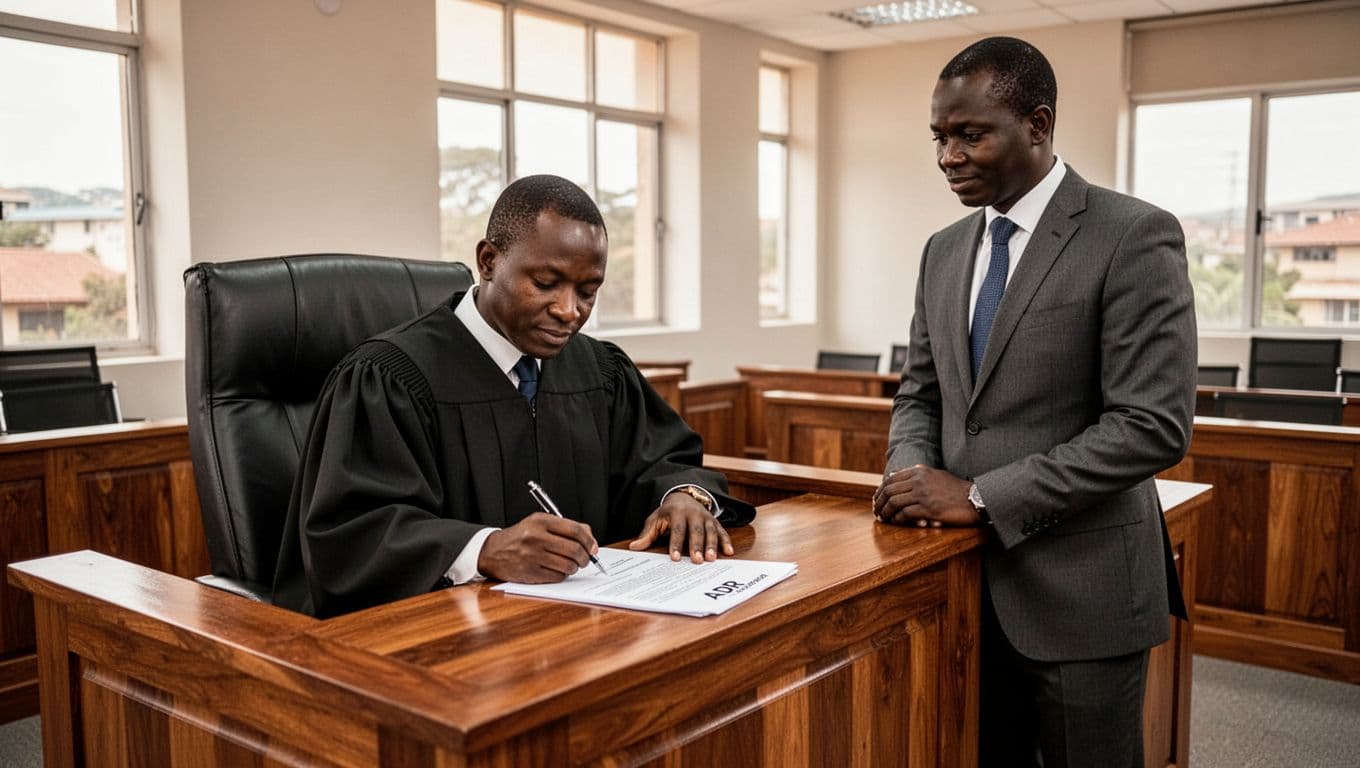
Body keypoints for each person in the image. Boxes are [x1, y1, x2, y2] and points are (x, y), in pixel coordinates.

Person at [871, 37, 1196, 766]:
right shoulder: (943, 250)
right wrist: (909, 476)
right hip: (957, 589)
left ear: (1039, 126)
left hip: (1083, 598)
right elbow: (921, 392)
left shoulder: (1132, 235)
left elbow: (1153, 426)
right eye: (939, 137)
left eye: (969, 134)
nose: (948, 156)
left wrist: (982, 495)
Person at [273, 174, 754, 618]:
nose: (569, 311)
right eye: (545, 284)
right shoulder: (389, 378)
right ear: (488, 261)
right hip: (441, 650)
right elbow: (349, 536)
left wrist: (684, 496)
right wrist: (484, 548)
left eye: (588, 291)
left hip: (584, 629)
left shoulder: (601, 371)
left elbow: (660, 459)